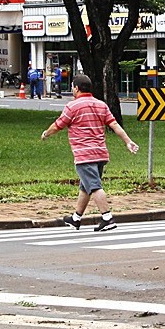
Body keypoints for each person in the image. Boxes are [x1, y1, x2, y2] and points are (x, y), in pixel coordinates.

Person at [41, 74, 140, 233]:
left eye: (73, 87)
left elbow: (59, 124)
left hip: (84, 154)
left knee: (94, 186)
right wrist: (128, 141)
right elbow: (114, 125)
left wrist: (46, 133)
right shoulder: (101, 105)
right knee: (85, 186)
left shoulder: (72, 106)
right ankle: (76, 218)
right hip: (100, 153)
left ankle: (107, 218)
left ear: (76, 88)